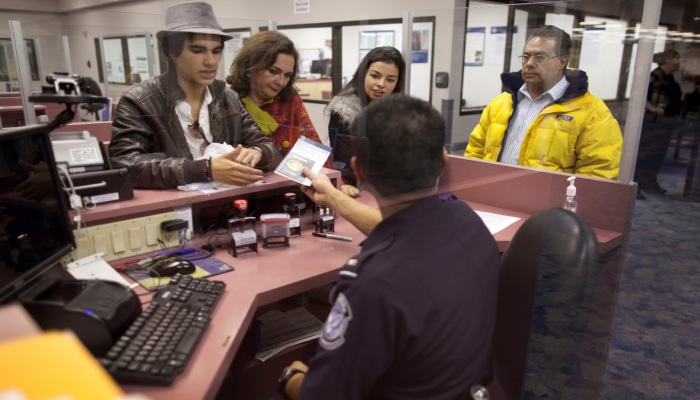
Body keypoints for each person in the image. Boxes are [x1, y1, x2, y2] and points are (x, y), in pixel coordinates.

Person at [278, 94, 500, 400]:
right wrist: (332, 196)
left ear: (360, 171)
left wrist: (290, 378)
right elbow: (405, 229)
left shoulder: (372, 284)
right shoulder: (467, 221)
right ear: (443, 163)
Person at [109, 2, 281, 189]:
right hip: (175, 210)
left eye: (216, 51)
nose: (210, 61)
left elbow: (270, 148)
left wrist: (257, 152)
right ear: (170, 51)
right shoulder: (140, 101)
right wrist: (204, 169)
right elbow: (125, 165)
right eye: (197, 51)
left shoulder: (227, 98)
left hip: (228, 204)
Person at [465, 25, 623, 180]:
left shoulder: (592, 113)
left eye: (540, 57)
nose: (529, 63)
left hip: (549, 203)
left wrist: (561, 203)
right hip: (493, 196)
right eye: (526, 56)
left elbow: (598, 172)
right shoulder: (500, 104)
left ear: (562, 62)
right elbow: (475, 151)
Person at [226, 30, 331, 165]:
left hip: (291, 183)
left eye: (287, 75)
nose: (281, 82)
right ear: (250, 68)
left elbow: (313, 149)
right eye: (273, 72)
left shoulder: (290, 100)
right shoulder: (228, 102)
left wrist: (338, 184)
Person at [325, 46, 406, 196]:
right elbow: (343, 163)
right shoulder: (345, 109)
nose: (381, 84)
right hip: (357, 189)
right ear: (363, 74)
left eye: (390, 79)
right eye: (375, 76)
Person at [634, 49, 683, 197]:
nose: (679, 63)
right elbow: (640, 95)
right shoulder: (653, 77)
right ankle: (637, 185)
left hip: (666, 122)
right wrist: (653, 108)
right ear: (669, 61)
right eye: (677, 59)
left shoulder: (669, 78)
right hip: (653, 122)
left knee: (657, 154)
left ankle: (649, 181)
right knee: (646, 153)